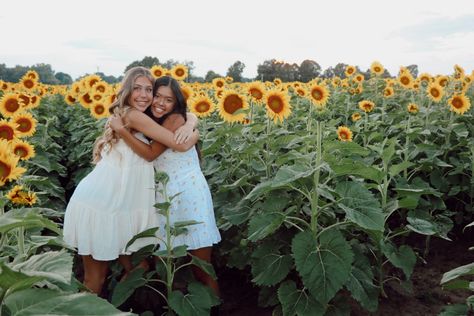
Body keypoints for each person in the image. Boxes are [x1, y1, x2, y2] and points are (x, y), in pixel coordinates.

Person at [63, 67, 199, 295]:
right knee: (94, 280)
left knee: (139, 268)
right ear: (127, 90)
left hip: (121, 207)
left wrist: (189, 122)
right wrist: (193, 133)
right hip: (103, 206)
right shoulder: (132, 115)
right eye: (137, 88)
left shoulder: (141, 115)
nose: (144, 95)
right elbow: (179, 144)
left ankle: (116, 307)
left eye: (149, 89)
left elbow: (182, 117)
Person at [110, 76, 221, 296]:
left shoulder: (174, 119)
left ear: (176, 102)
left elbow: (151, 154)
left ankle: (213, 307)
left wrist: (122, 131)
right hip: (165, 195)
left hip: (189, 194)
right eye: (157, 96)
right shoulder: (151, 119)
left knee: (201, 265)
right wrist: (192, 121)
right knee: (165, 262)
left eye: (168, 100)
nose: (160, 103)